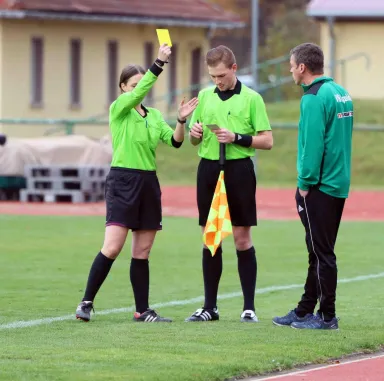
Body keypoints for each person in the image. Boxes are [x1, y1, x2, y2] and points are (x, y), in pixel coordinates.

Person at [75, 43, 199, 323]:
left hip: (148, 183)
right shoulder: (119, 109)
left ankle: (142, 310)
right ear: (123, 87)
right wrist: (159, 63)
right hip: (122, 180)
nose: (138, 88)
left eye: (140, 84)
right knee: (113, 247)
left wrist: (181, 120)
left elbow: (175, 142)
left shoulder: (153, 116)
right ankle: (86, 302)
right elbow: (139, 93)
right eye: (133, 84)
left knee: (142, 251)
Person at [185, 45, 273, 323]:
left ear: (234, 69)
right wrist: (195, 132)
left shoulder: (252, 99)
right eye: (212, 76)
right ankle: (210, 307)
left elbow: (267, 140)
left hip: (239, 170)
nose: (217, 81)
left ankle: (249, 308)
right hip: (208, 169)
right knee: (211, 238)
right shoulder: (204, 97)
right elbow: (193, 141)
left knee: (241, 238)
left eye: (221, 75)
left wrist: (237, 138)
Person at [272, 43, 353, 330]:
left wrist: (305, 183)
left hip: (320, 185)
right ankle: (306, 309)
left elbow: (313, 145)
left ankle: (327, 316)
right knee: (317, 249)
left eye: (292, 65)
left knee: (322, 252)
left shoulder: (313, 98)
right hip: (338, 182)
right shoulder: (340, 93)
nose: (290, 70)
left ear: (303, 67)